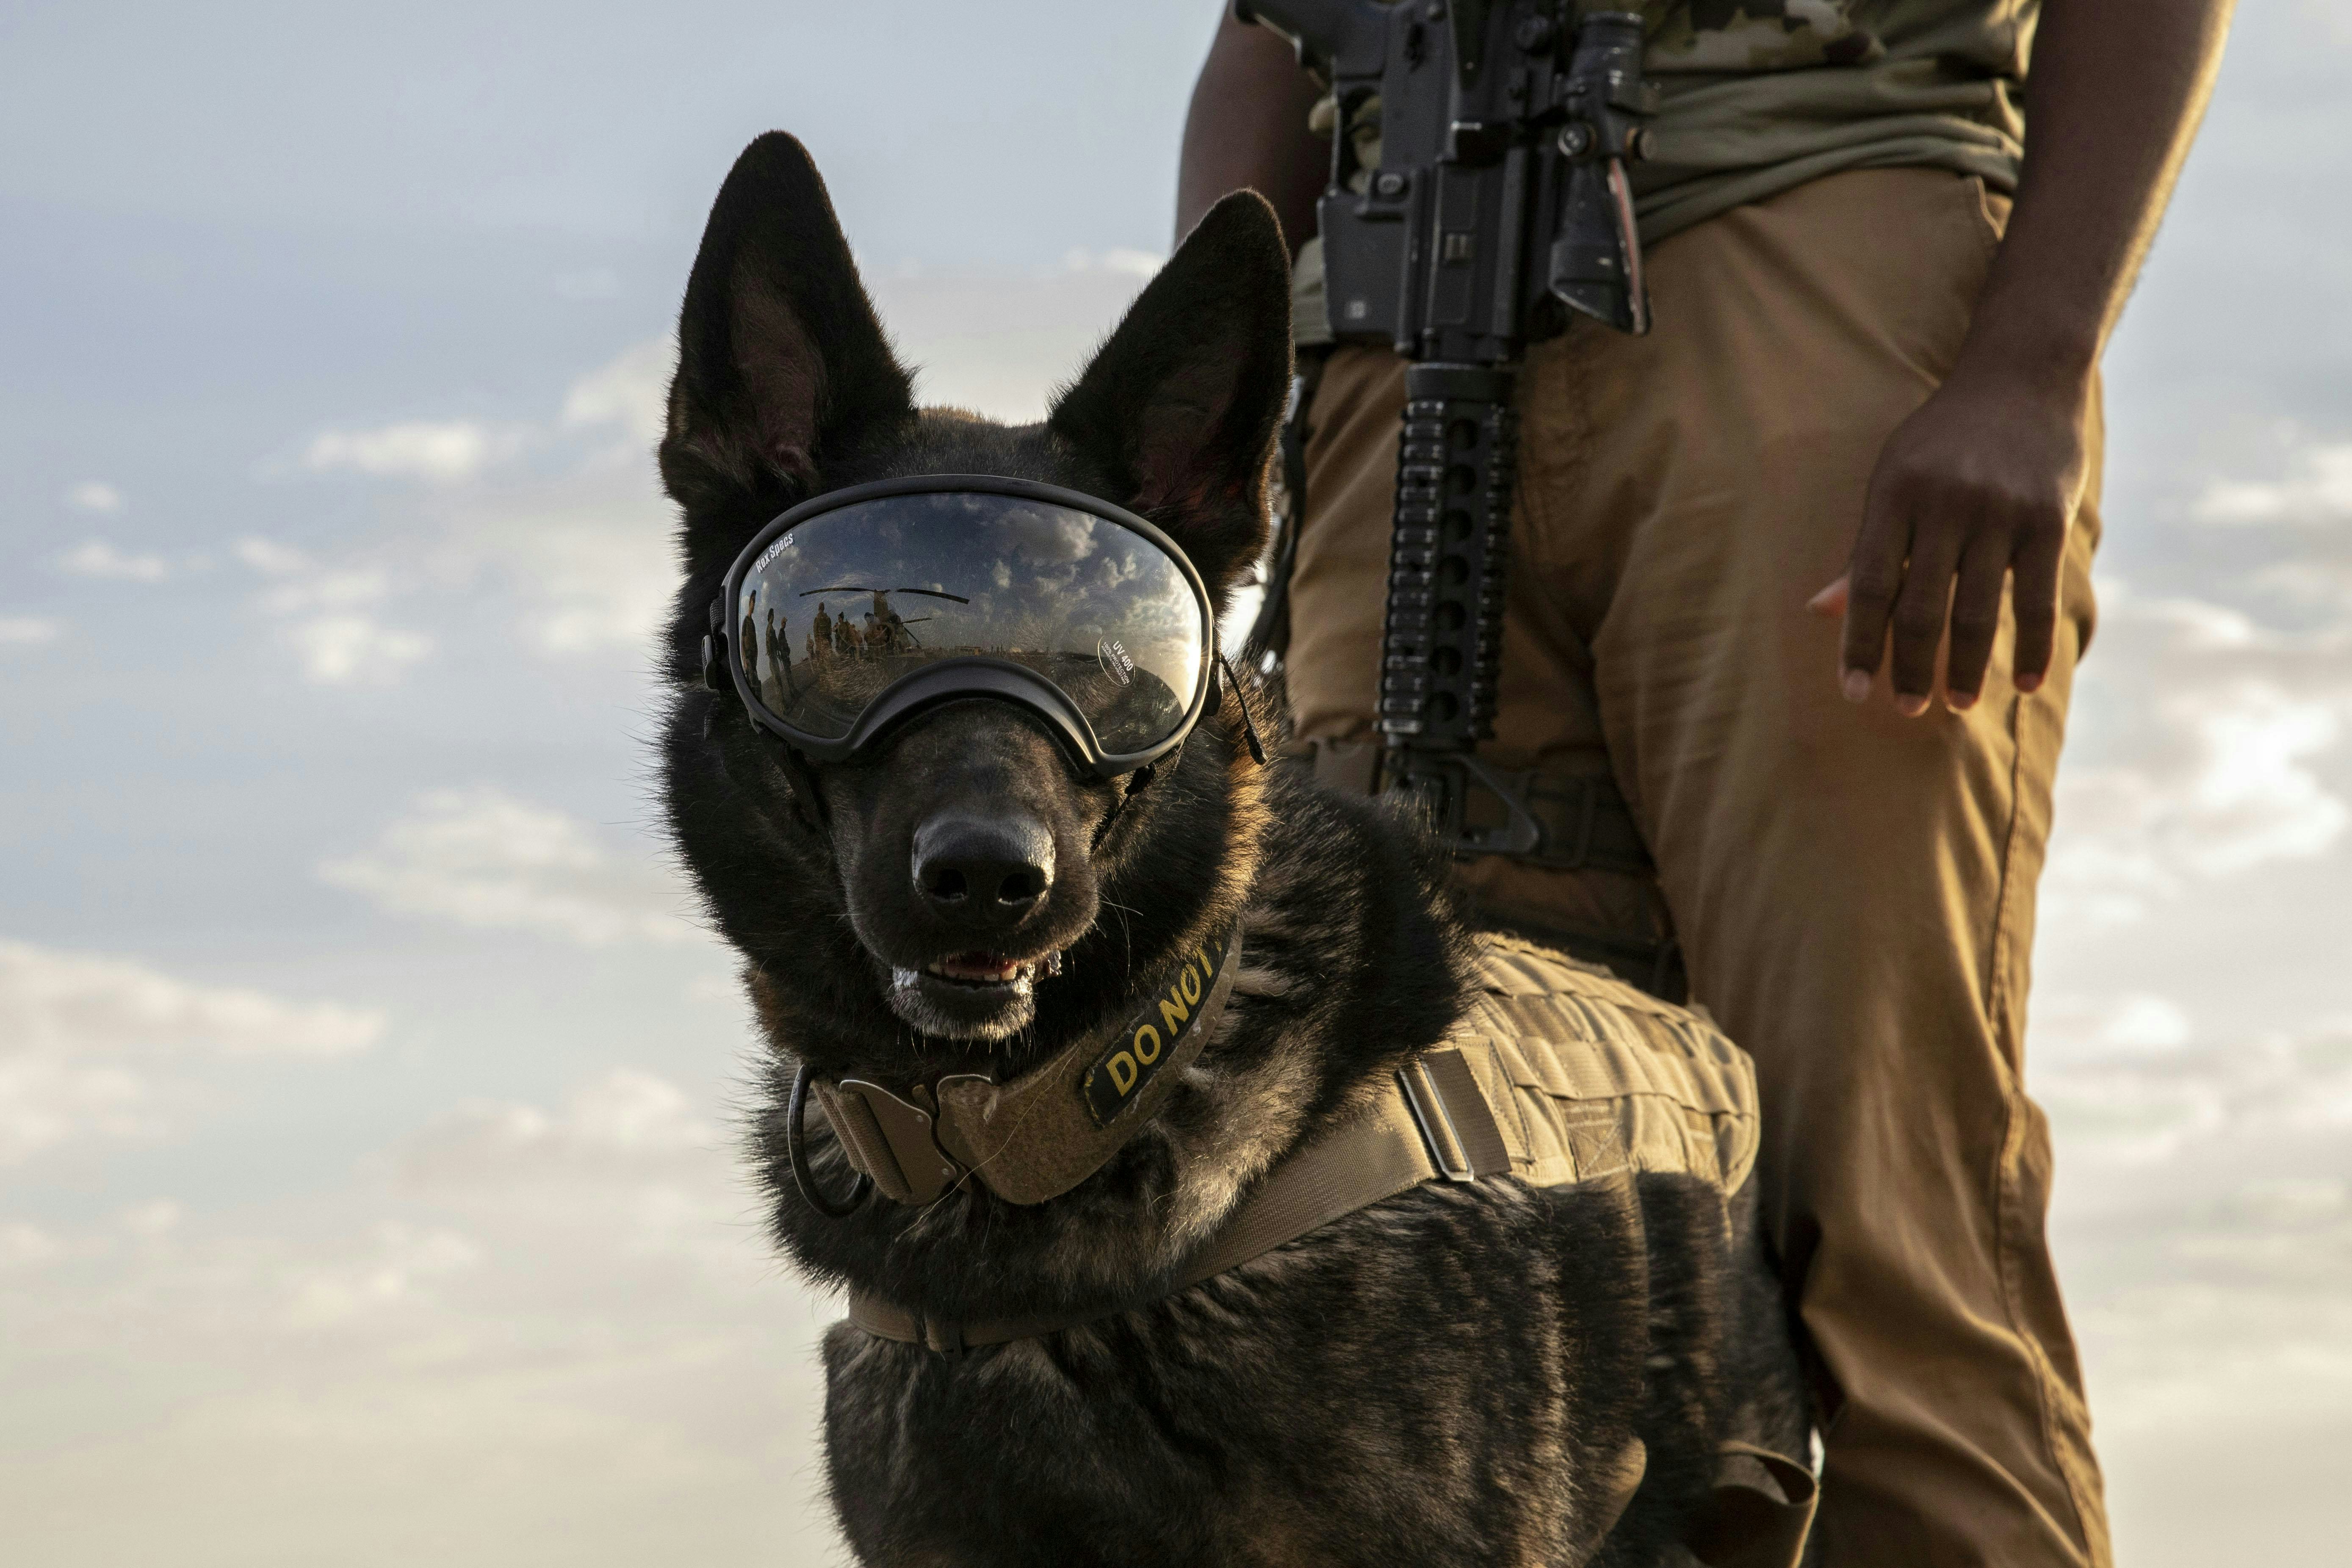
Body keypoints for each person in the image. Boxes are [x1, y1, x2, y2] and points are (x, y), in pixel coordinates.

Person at [1176, 4, 2233, 1566]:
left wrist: (2029, 369)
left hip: (1809, 232)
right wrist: (1207, 409)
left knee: (1868, 1191)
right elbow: (1258, 36)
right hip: (1396, 343)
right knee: (1431, 1202)